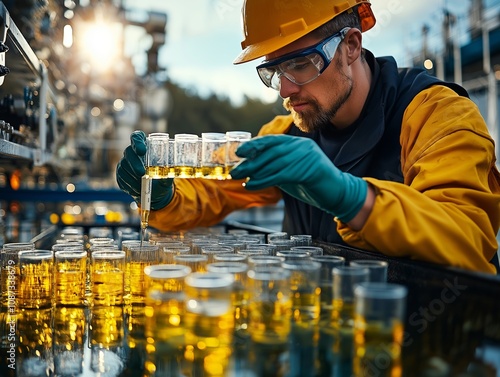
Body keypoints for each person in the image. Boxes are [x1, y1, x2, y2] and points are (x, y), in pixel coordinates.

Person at [116, 0, 500, 274]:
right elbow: (215, 192)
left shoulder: (435, 113)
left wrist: (355, 199)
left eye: (300, 64)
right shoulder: (289, 129)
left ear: (351, 46)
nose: (285, 90)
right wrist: (165, 199)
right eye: (274, 71)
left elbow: (467, 239)